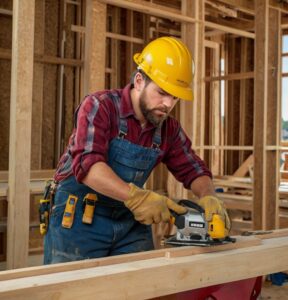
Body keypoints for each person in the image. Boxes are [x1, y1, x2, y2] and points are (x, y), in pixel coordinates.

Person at [43, 36, 230, 264]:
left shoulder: (168, 128)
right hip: (79, 220)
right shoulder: (100, 106)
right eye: (162, 92)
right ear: (139, 81)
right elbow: (88, 166)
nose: (168, 104)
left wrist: (208, 196)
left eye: (174, 97)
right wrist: (138, 198)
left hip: (129, 222)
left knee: (144, 290)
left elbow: (193, 169)